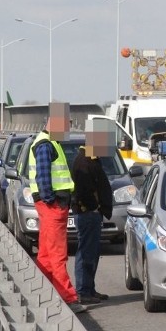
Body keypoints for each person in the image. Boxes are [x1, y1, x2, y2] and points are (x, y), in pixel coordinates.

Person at [29, 103, 87, 313]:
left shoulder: (49, 142)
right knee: (58, 253)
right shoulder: (46, 144)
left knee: (45, 253)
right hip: (53, 206)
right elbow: (43, 177)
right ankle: (68, 298)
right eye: (67, 124)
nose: (69, 129)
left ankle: (41, 294)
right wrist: (51, 200)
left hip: (51, 205)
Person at [71, 119, 115, 304]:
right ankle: (83, 291)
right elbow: (83, 190)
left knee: (92, 253)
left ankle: (90, 289)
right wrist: (94, 208)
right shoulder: (84, 161)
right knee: (86, 253)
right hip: (88, 214)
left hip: (93, 214)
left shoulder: (92, 159)